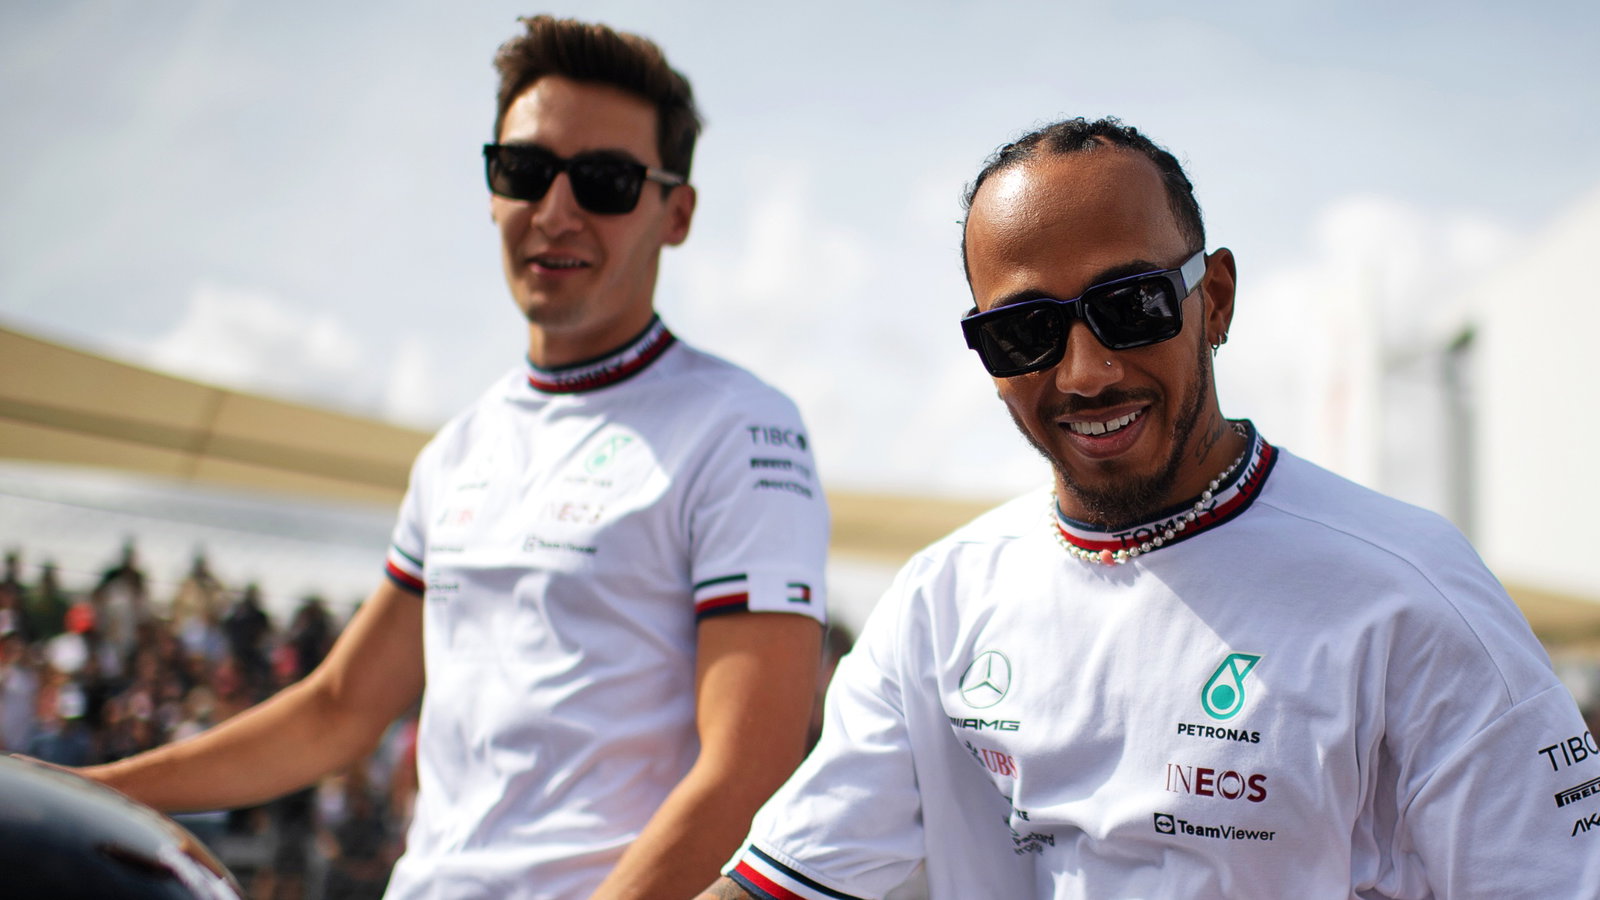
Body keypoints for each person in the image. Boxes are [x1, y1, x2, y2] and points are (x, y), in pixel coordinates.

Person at [701, 119, 1600, 899]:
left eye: (1129, 306)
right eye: (1026, 332)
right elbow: (781, 881)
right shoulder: (941, 602)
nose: (1086, 372)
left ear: (1212, 301)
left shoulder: (1410, 591)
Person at [74, 15, 829, 899]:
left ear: (678, 213)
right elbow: (338, 711)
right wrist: (77, 796)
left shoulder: (743, 428)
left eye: (605, 182)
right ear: (491, 188)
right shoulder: (459, 448)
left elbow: (749, 769)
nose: (556, 210)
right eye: (524, 171)